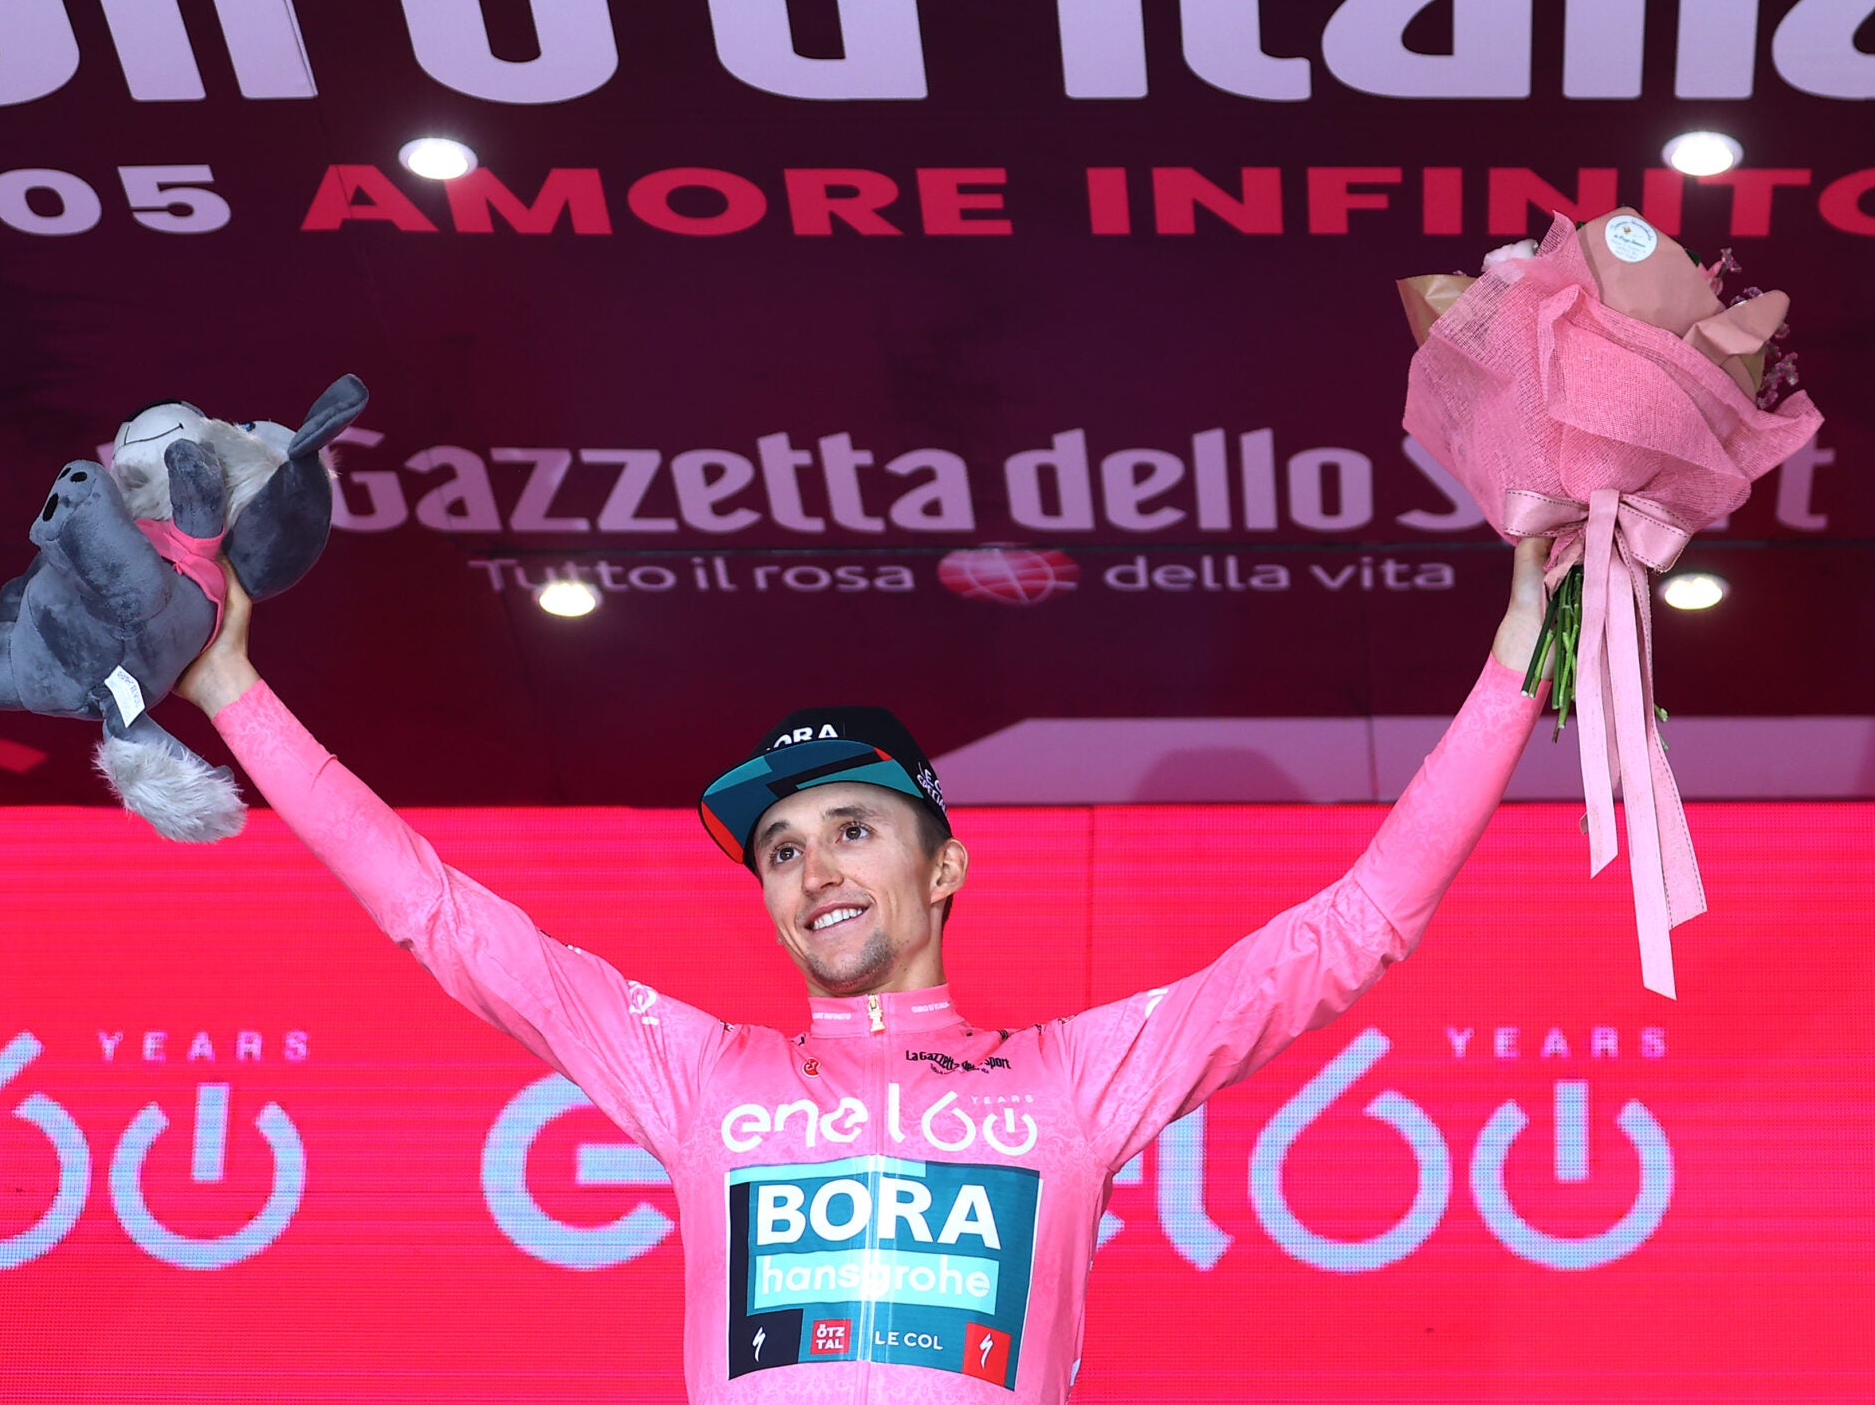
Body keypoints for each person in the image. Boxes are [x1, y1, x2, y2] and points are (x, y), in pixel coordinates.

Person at [176, 539, 1550, 1401]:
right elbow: (438, 913)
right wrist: (233, 686)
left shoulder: (1073, 1078)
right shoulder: (702, 1073)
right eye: (779, 849)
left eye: (851, 828)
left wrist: (1517, 661)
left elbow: (1359, 922)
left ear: (942, 867)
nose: (814, 870)